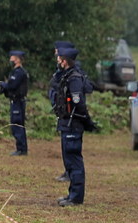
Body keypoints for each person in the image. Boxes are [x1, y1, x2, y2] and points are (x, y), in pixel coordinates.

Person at [54, 47, 91, 207]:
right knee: (69, 160)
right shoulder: (67, 76)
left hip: (73, 124)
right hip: (66, 123)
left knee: (74, 160)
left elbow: (78, 102)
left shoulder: (74, 78)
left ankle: (76, 197)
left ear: (65, 60)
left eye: (59, 58)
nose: (58, 61)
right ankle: (72, 194)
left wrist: (81, 118)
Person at [50, 41, 75, 182]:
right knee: (65, 145)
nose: (55, 54)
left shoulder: (72, 72)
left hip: (70, 114)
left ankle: (70, 172)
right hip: (62, 111)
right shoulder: (60, 69)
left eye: (57, 51)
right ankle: (67, 171)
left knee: (70, 146)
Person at [0, 50, 29, 156]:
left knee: (17, 124)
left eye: (12, 57)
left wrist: (4, 85)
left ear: (17, 59)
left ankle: (21, 149)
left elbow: (12, 86)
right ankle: (21, 148)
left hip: (18, 102)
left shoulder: (19, 72)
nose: (10, 60)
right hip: (14, 101)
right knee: (16, 124)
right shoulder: (15, 72)